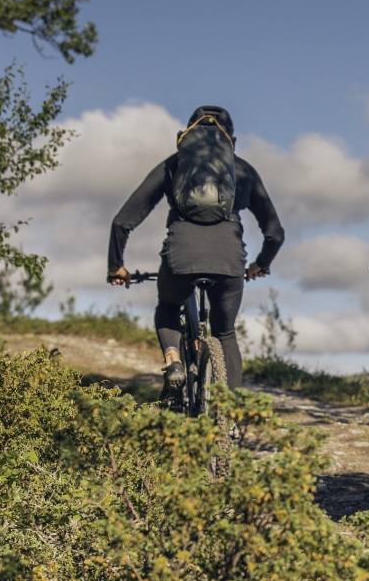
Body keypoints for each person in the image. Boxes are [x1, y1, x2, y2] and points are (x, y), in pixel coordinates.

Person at [109, 105, 283, 392]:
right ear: (231, 140)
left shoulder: (173, 164)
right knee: (225, 333)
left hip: (180, 258)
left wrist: (116, 265)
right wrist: (261, 264)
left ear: (187, 135)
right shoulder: (243, 171)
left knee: (167, 306)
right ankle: (232, 417)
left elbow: (122, 222)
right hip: (229, 262)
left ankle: (174, 360)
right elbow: (275, 232)